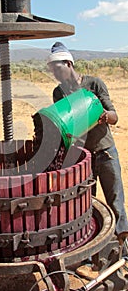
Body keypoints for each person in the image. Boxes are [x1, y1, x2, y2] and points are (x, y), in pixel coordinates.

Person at [47, 41, 128, 242]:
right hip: (83, 158)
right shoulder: (59, 93)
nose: (56, 74)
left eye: (58, 69)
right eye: (52, 70)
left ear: (69, 64)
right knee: (86, 204)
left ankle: (123, 248)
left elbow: (114, 117)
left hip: (106, 152)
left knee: (116, 202)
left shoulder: (94, 84)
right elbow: (64, 125)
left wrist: (103, 115)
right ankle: (93, 246)